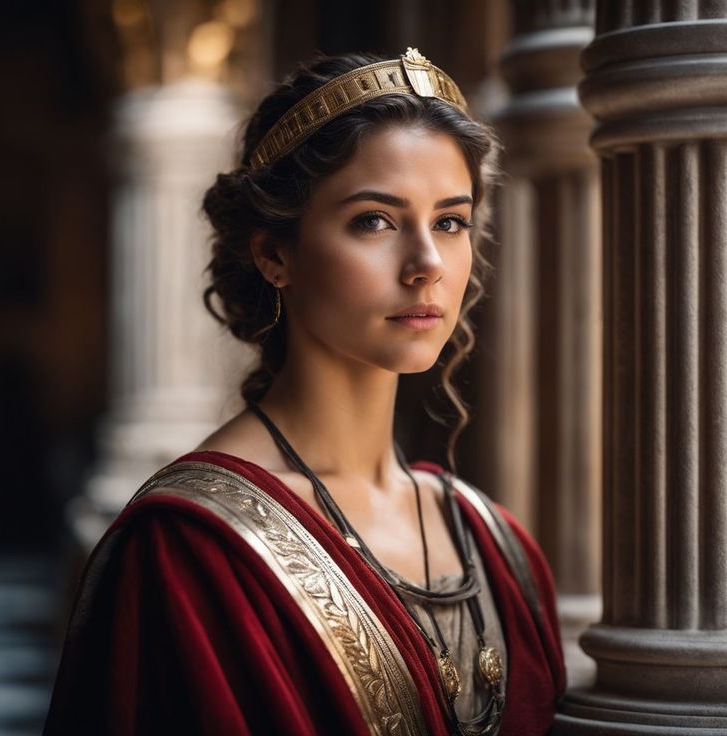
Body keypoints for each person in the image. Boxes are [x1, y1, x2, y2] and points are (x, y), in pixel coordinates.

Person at [43, 48, 565, 736]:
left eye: (450, 221)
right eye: (375, 220)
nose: (427, 265)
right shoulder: (189, 550)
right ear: (274, 254)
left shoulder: (499, 547)